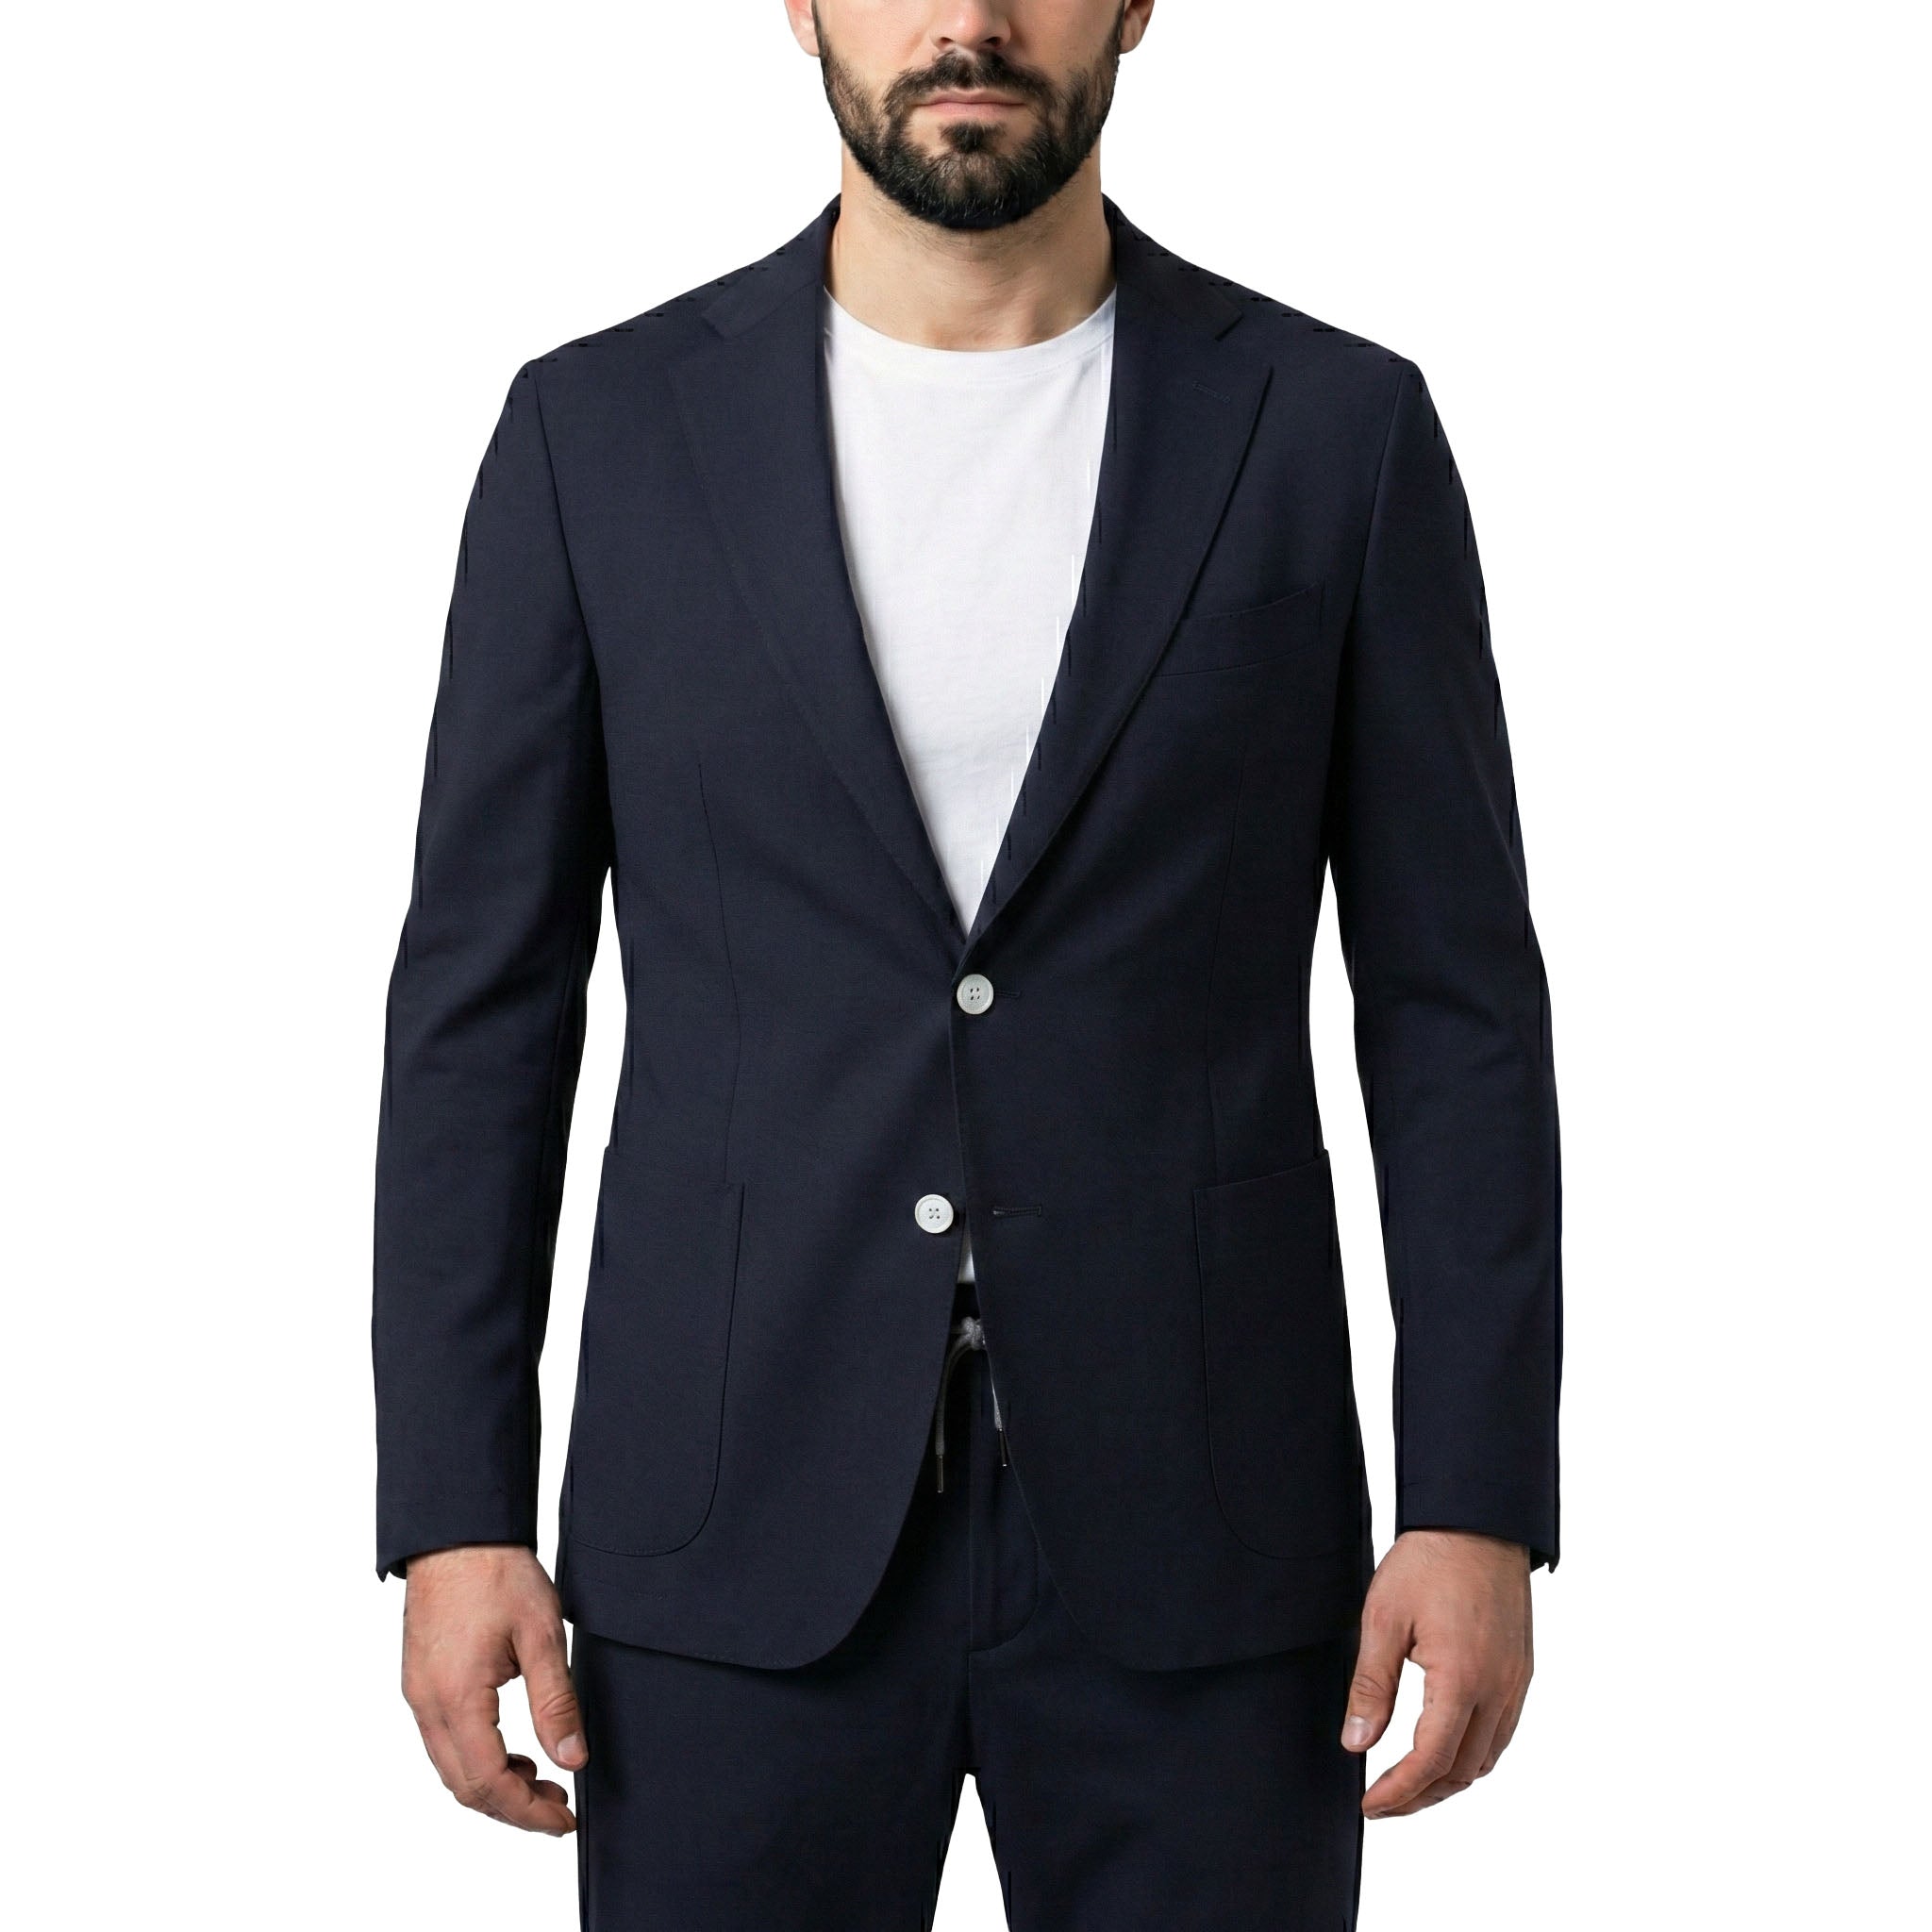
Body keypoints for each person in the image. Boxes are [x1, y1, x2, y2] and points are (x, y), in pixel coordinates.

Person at [372, 3, 1562, 1924]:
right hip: (725, 1526)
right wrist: (452, 1508)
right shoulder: (597, 437)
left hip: (1212, 1531)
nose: (969, 23)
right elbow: (479, 1016)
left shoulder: (1334, 431)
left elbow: (1455, 1013)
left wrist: (1475, 1494)